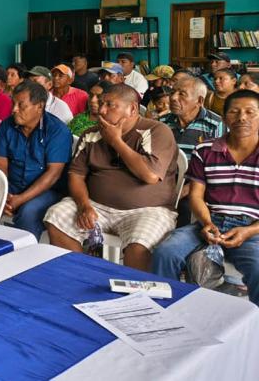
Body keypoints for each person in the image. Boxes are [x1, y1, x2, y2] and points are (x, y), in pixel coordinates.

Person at [45, 84, 179, 271]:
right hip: (96, 206)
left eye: (110, 105)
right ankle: (79, 277)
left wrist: (116, 141)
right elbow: (76, 175)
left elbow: (149, 175)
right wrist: (84, 206)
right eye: (101, 104)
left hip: (149, 210)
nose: (101, 110)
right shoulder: (91, 134)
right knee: (56, 216)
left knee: (139, 245)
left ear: (132, 109)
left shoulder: (156, 131)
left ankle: (134, 295)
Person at [152, 90, 259, 305]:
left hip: (253, 229)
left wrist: (248, 231)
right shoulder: (206, 149)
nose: (242, 118)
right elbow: (196, 196)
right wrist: (207, 222)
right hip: (209, 222)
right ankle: (166, 310)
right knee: (166, 253)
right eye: (235, 112)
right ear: (224, 117)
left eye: (251, 112)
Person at [0, 81, 72, 239]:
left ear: (39, 106)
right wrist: (5, 194)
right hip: (12, 186)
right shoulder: (7, 126)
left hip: (46, 190)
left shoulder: (57, 131)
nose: (14, 110)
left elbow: (53, 174)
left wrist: (20, 199)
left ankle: (23, 257)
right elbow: (1, 163)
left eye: (21, 105)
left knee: (28, 212)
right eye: (13, 104)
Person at [160, 76, 223, 227]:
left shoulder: (215, 125)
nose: (173, 98)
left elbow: (216, 168)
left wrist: (183, 190)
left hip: (197, 185)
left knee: (186, 209)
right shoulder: (162, 123)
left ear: (199, 101)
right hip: (164, 182)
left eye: (182, 94)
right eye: (173, 92)